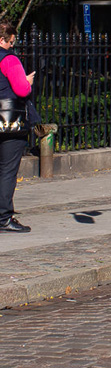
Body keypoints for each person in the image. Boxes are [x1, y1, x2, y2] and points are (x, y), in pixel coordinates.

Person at [0, 21, 35, 233]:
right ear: (2, 39)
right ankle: (4, 216)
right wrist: (27, 81)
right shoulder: (9, 59)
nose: (12, 46)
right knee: (7, 170)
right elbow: (21, 90)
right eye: (11, 42)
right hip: (9, 122)